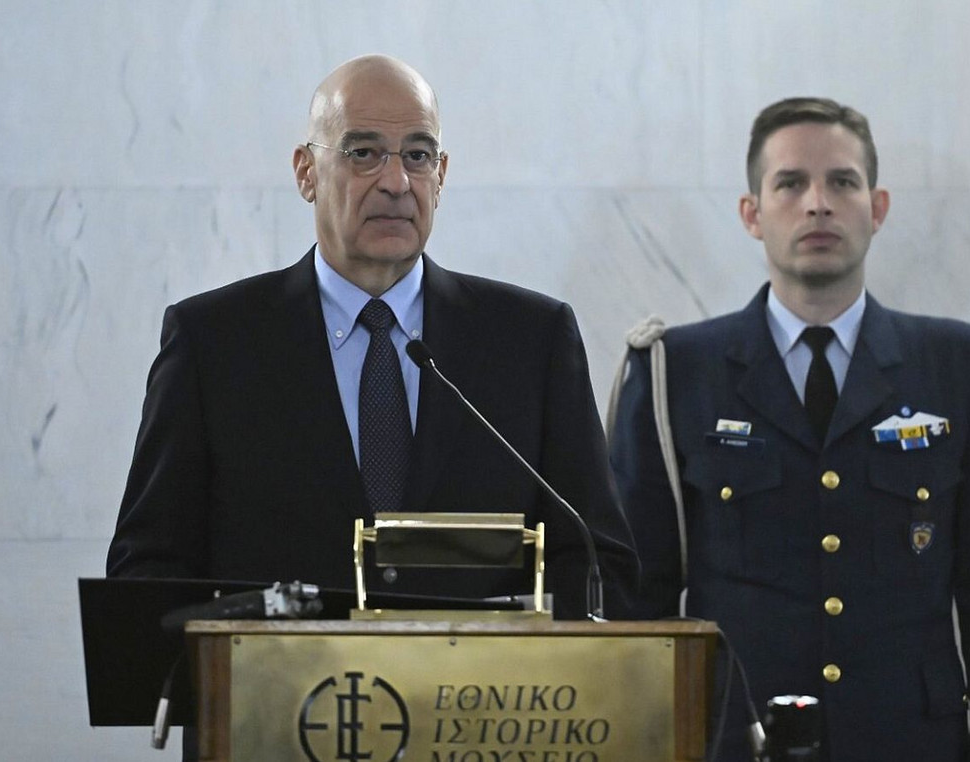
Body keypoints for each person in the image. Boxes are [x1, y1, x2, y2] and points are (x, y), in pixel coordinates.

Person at [107, 54, 638, 622]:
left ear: (441, 174)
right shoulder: (214, 343)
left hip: (479, 679)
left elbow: (596, 561)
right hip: (281, 678)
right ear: (306, 172)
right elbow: (150, 571)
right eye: (363, 153)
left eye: (417, 155)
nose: (396, 182)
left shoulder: (531, 341)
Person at [609, 97, 970, 761]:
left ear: (878, 207)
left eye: (842, 181)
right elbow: (639, 596)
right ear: (752, 213)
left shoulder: (958, 367)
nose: (817, 204)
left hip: (909, 743)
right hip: (732, 741)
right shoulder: (675, 371)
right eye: (790, 183)